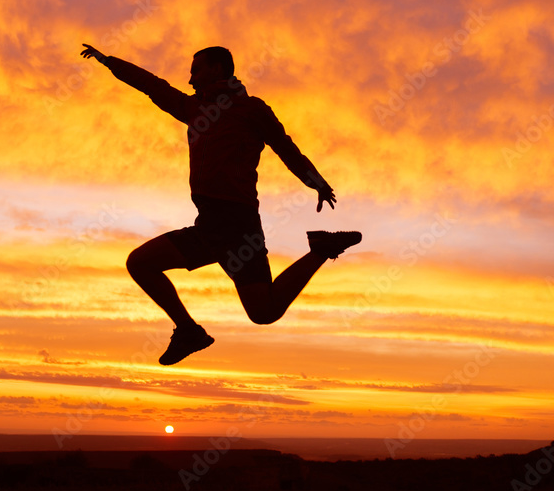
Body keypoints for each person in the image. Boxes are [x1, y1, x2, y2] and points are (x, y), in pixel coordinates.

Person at [80, 43, 361, 365]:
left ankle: (319, 250)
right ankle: (190, 331)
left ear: (217, 68)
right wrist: (108, 61)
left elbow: (286, 148)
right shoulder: (193, 109)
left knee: (262, 311)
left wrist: (317, 183)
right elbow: (153, 87)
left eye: (195, 71)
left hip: (236, 223)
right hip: (211, 224)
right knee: (146, 265)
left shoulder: (252, 110)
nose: (190, 80)